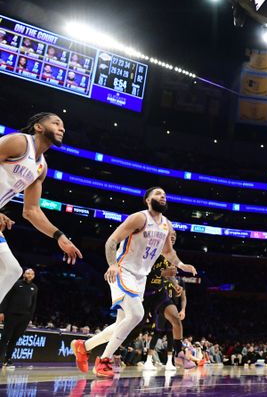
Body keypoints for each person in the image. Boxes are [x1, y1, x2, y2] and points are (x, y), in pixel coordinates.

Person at [71, 187, 197, 377]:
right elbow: (111, 241)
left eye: (164, 194)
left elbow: (168, 252)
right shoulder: (139, 218)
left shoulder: (166, 225)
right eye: (158, 194)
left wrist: (181, 264)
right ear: (147, 200)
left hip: (141, 277)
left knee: (123, 323)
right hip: (123, 271)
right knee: (137, 314)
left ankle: (84, 346)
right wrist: (112, 264)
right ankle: (103, 360)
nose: (163, 196)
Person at [0, 113, 82, 305]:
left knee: (12, 269)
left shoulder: (41, 167)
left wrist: (59, 236)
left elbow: (31, 211)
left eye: (63, 126)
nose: (62, 128)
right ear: (38, 126)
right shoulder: (19, 142)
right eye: (56, 123)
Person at [142, 230, 187, 371]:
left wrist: (176, 285)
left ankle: (173, 360)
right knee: (148, 331)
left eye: (174, 237)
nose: (172, 239)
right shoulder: (152, 249)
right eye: (170, 236)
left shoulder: (171, 258)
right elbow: (144, 270)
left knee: (171, 330)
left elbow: (182, 294)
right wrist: (164, 273)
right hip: (143, 294)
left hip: (161, 299)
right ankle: (146, 360)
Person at [0, 268, 38, 367]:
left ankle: (8, 360)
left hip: (24, 318)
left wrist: (30, 317)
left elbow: (33, 304)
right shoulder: (16, 284)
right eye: (27, 273)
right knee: (5, 338)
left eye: (31, 274)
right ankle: (0, 359)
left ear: (33, 276)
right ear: (24, 274)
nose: (29, 275)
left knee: (14, 339)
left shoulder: (34, 288)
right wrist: (2, 312)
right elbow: (6, 297)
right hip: (11, 315)